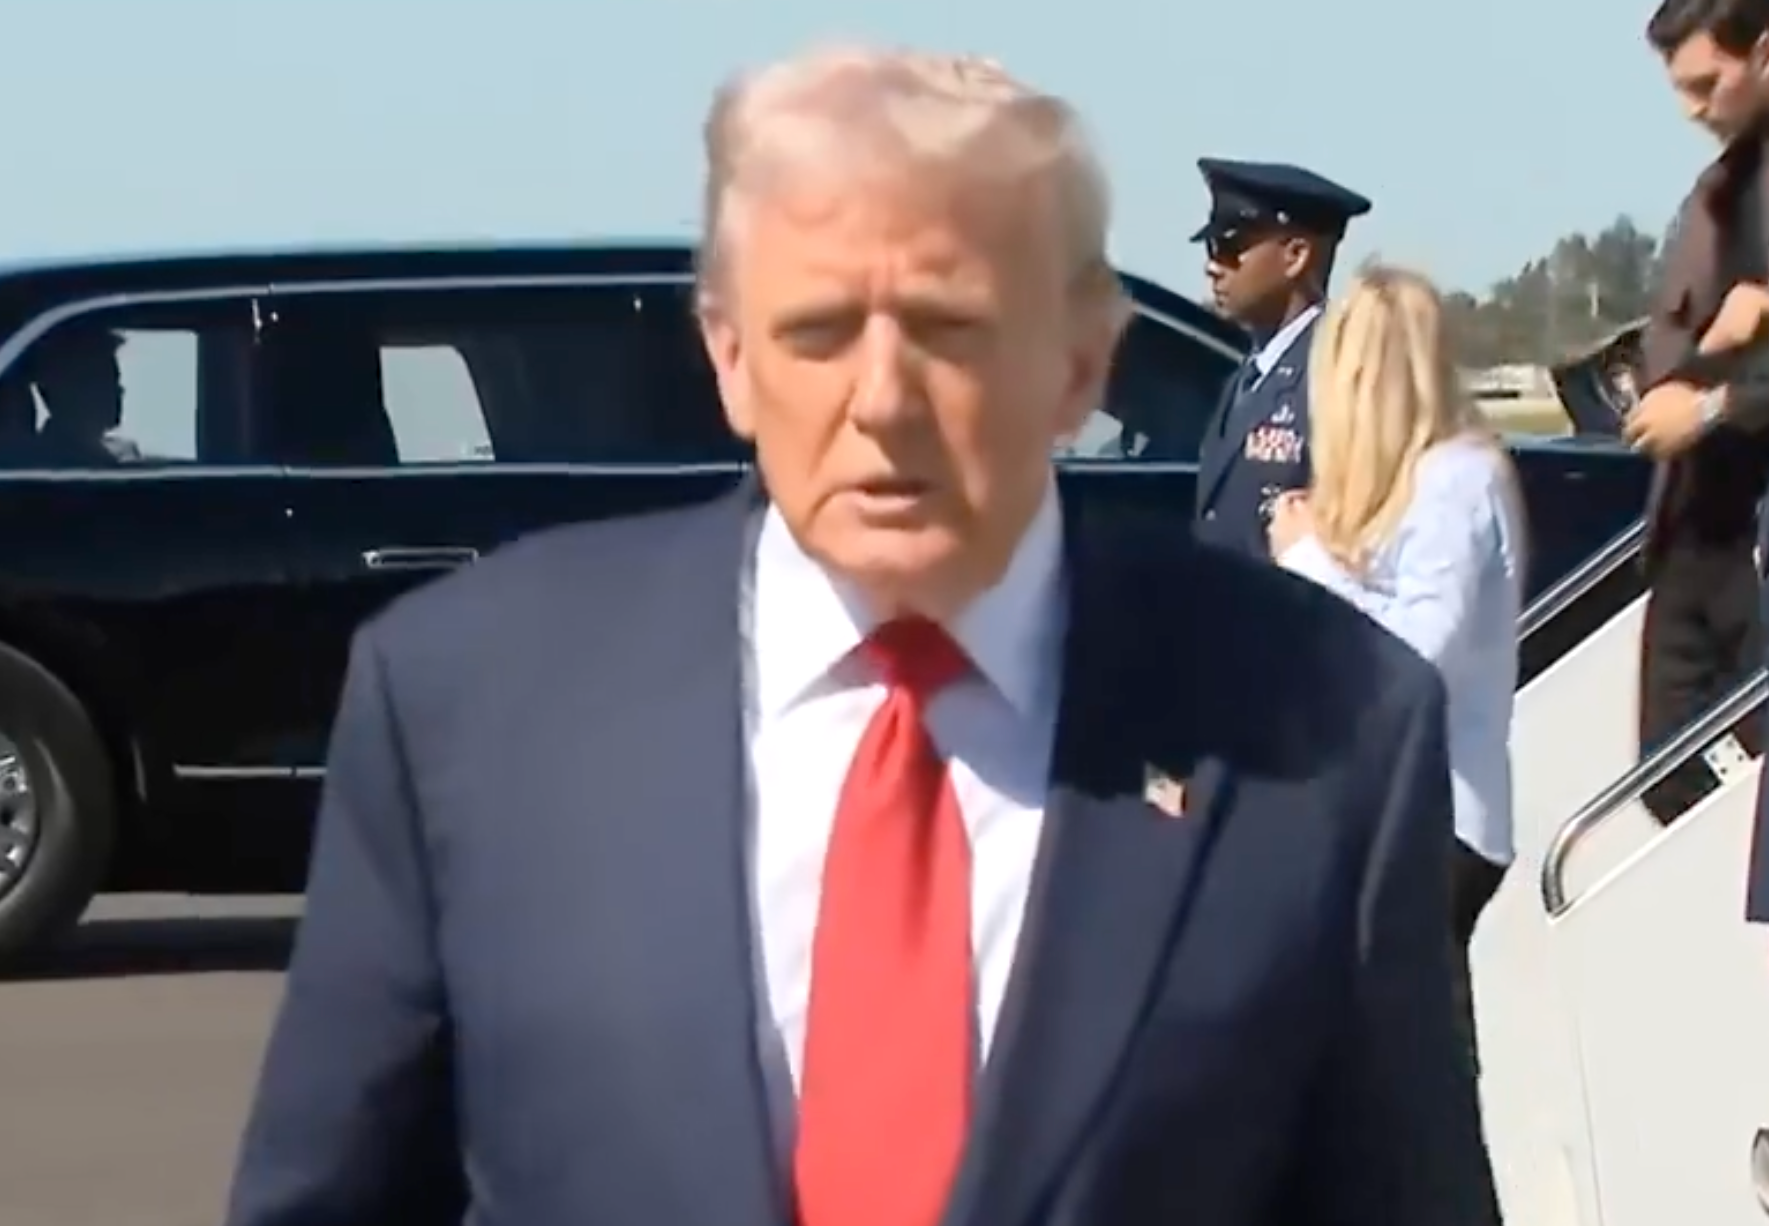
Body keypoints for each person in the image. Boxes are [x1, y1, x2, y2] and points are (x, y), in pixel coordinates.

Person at [225, 45, 1488, 1226]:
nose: (881, 402)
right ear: (727, 353)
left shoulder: (1327, 728)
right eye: (818, 329)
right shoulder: (466, 704)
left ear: (1080, 360)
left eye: (950, 327)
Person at [1269, 266, 1524, 1224]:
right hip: (1415, 819)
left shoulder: (1455, 481)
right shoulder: (1440, 481)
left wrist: (1309, 562)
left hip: (1434, 825)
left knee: (1426, 1090)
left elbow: (1417, 653)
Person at [1630, 0, 1769, 823]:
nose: (1692, 110)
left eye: (1707, 84)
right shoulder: (1721, 192)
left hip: (1751, 532)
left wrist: (1712, 404)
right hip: (1694, 532)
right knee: (1671, 782)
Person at [1190, 157, 1370, 558]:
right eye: (1211, 248)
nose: (1212, 267)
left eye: (1231, 248)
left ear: (1295, 256)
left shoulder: (1337, 375)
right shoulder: (1247, 377)